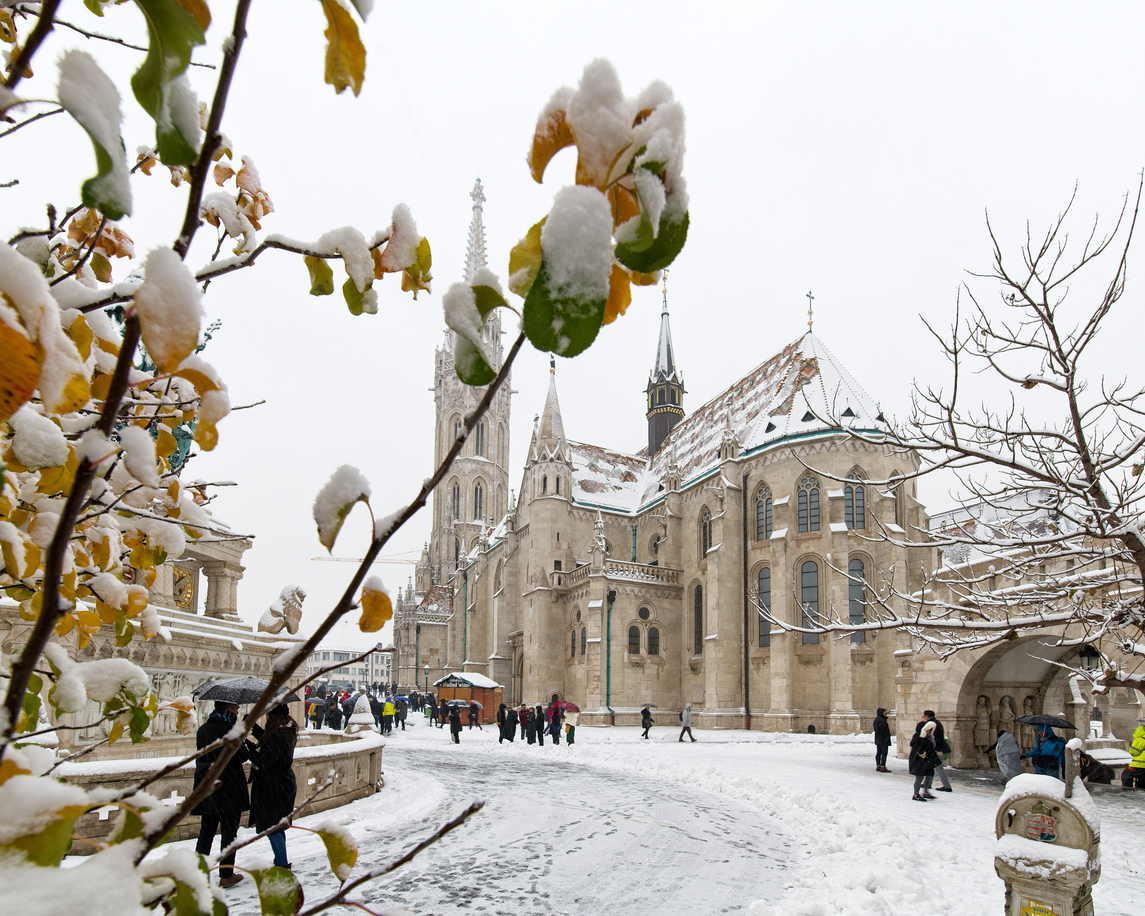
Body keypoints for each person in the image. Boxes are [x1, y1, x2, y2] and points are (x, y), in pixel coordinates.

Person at [193, 701, 250, 888]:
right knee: (229, 833)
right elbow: (242, 757)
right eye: (236, 707)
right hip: (229, 787)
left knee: (206, 832)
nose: (238, 710)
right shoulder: (231, 730)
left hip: (208, 786)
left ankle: (196, 873)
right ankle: (226, 875)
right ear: (228, 709)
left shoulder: (203, 729)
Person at [246, 704, 298, 870]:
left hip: (273, 787)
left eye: (268, 717)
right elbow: (268, 741)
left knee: (272, 827)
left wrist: (247, 747)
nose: (267, 720)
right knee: (277, 825)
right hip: (280, 784)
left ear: (274, 718)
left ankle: (282, 864)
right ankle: (280, 859)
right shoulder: (285, 732)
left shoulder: (280, 736)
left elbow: (263, 761)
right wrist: (253, 728)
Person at [909, 717, 939, 801]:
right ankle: (916, 794)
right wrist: (921, 753)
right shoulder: (918, 735)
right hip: (918, 760)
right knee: (919, 777)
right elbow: (914, 745)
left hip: (927, 759)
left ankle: (925, 792)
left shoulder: (928, 736)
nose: (929, 730)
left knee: (929, 775)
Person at [923, 710, 952, 792]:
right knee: (931, 766)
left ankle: (947, 786)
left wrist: (934, 748)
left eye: (923, 717)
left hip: (939, 749)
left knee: (938, 767)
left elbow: (935, 738)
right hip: (939, 748)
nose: (923, 718)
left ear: (927, 717)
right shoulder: (936, 722)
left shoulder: (932, 724)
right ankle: (927, 783)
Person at [1121, 721, 1145, 788]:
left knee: (1126, 775)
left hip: (1138, 765)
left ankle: (1127, 791)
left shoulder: (1140, 739)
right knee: (1142, 780)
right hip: (1142, 767)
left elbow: (1134, 752)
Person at [873, 708, 892, 772]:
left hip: (878, 738)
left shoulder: (876, 720)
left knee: (879, 752)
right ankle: (883, 766)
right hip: (883, 739)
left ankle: (878, 765)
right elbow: (884, 731)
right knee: (884, 753)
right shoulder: (882, 721)